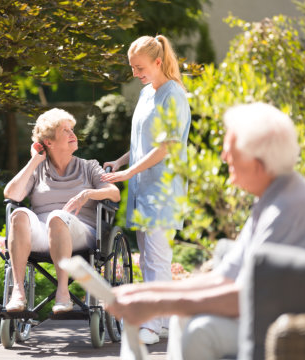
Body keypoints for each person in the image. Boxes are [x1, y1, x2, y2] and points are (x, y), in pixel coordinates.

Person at [106, 102, 305, 359]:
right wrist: (144, 292)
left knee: (201, 329)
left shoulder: (288, 208)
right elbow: (224, 277)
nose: (225, 157)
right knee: (185, 319)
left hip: (286, 330)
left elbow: (244, 296)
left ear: (258, 162)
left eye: (231, 151)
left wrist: (156, 303)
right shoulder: (271, 198)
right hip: (262, 315)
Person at [101, 35, 191, 344]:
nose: (136, 74)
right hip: (143, 185)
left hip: (163, 188)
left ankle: (152, 325)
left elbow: (167, 146)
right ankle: (161, 323)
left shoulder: (173, 95)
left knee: (156, 258)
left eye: (140, 68)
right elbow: (141, 143)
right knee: (150, 258)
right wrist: (121, 161)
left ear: (157, 62)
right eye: (132, 68)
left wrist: (129, 172)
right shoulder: (145, 94)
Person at [3, 108, 120, 314]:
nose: (73, 135)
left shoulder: (89, 166)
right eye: (66, 130)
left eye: (72, 129)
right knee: (18, 215)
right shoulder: (37, 169)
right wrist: (34, 161)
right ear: (49, 142)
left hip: (81, 232)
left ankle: (63, 293)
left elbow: (114, 193)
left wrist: (88, 194)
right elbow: (13, 194)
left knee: (57, 217)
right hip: (42, 233)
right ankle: (18, 293)